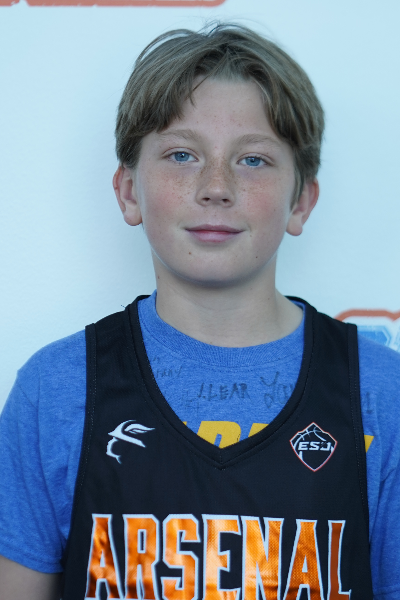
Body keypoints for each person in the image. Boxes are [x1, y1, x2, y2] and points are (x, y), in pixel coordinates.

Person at [0, 23, 399, 600]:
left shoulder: (381, 392)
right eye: (182, 155)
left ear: (301, 201)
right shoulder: (57, 389)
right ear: (129, 192)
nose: (216, 187)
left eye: (253, 159)